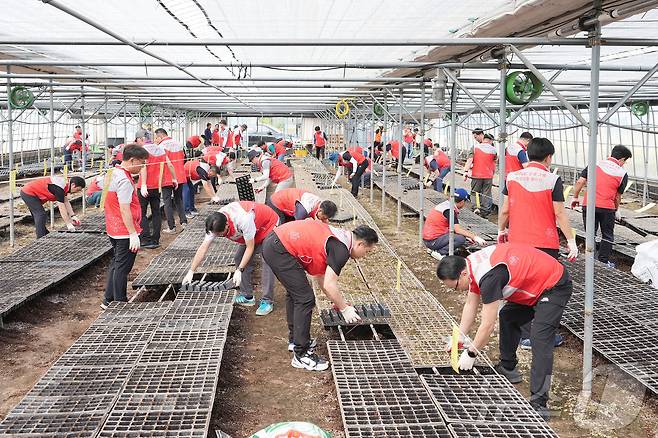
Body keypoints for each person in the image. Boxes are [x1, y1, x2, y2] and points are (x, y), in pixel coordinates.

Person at [436, 243, 573, 419]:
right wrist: (458, 337)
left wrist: (471, 353)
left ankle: (539, 403)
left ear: (462, 274)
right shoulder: (470, 266)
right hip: (533, 282)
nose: (456, 290)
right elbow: (471, 304)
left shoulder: (488, 277)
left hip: (554, 284)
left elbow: (487, 325)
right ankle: (508, 367)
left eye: (454, 286)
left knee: (540, 339)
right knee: (508, 316)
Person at [262, 222, 379, 371]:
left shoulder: (340, 238)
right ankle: (301, 354)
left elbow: (321, 277)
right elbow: (330, 284)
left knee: (296, 293)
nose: (365, 256)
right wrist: (344, 309)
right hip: (280, 248)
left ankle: (295, 340)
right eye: (367, 252)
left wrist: (337, 302)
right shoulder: (341, 249)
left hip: (276, 242)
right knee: (305, 298)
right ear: (360, 244)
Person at [499, 137, 577, 348]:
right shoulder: (552, 179)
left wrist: (501, 231)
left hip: (518, 242)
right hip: (545, 243)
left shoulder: (512, 177)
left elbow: (505, 209)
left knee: (521, 286)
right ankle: (542, 336)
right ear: (549, 157)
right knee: (546, 290)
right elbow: (559, 213)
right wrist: (571, 241)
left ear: (529, 153)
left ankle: (525, 335)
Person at [182, 201, 279, 316]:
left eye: (221, 234)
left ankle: (267, 301)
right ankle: (247, 296)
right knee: (239, 258)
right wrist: (191, 271)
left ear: (227, 225)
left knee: (267, 258)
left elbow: (250, 247)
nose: (218, 236)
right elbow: (203, 248)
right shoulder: (214, 224)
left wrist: (240, 270)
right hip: (252, 230)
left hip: (268, 225)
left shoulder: (243, 220)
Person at [102, 144, 149, 309]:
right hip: (123, 230)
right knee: (123, 267)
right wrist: (132, 233)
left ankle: (109, 299)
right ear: (132, 160)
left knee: (116, 263)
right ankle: (119, 302)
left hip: (113, 227)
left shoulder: (113, 172)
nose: (143, 166)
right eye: (142, 163)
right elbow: (124, 207)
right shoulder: (124, 180)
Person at [570, 144, 632, 268]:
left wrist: (575, 197)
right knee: (607, 235)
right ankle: (603, 262)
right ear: (622, 159)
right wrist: (616, 210)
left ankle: (590, 259)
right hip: (607, 208)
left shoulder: (594, 164)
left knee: (590, 233)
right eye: (625, 161)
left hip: (589, 205)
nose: (623, 164)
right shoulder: (622, 173)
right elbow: (617, 196)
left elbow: (580, 181)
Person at [138, 129, 178, 249]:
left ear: (141, 139)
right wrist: (174, 178)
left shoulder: (142, 150)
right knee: (156, 212)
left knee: (142, 213)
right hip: (157, 186)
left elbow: (143, 166)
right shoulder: (159, 148)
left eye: (138, 140)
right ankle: (155, 238)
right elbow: (170, 164)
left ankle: (145, 239)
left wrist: (144, 184)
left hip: (144, 186)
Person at [423, 188, 486, 260]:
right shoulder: (450, 211)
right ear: (462, 201)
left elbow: (452, 228)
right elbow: (457, 230)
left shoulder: (445, 205)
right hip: (432, 241)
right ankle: (440, 252)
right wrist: (474, 237)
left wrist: (468, 236)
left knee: (461, 235)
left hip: (428, 239)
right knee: (460, 239)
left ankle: (433, 249)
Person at [20, 175, 85, 238]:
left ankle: (44, 234)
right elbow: (61, 208)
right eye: (77, 189)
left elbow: (66, 201)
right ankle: (41, 238)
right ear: (73, 185)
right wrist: (68, 223)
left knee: (39, 216)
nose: (76, 192)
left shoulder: (66, 185)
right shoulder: (59, 188)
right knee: (40, 214)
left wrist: (73, 216)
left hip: (31, 192)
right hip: (28, 192)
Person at [155, 128, 188, 233]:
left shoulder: (161, 146)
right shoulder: (178, 143)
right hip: (180, 176)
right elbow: (184, 158)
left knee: (167, 202)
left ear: (160, 136)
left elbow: (158, 163)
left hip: (167, 177)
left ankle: (171, 227)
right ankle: (184, 222)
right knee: (179, 200)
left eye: (156, 138)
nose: (156, 140)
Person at [464, 131, 497, 217]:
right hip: (488, 176)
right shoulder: (494, 149)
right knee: (486, 193)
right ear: (490, 140)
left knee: (475, 192)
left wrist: (466, 171)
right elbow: (494, 162)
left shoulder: (475, 147)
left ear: (484, 139)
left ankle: (475, 208)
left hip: (477, 174)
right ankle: (485, 212)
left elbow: (470, 160)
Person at [268, 188, 338, 224]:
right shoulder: (305, 208)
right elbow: (298, 224)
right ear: (320, 210)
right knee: (282, 227)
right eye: (324, 217)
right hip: (276, 202)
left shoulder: (319, 202)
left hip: (287, 200)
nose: (323, 220)